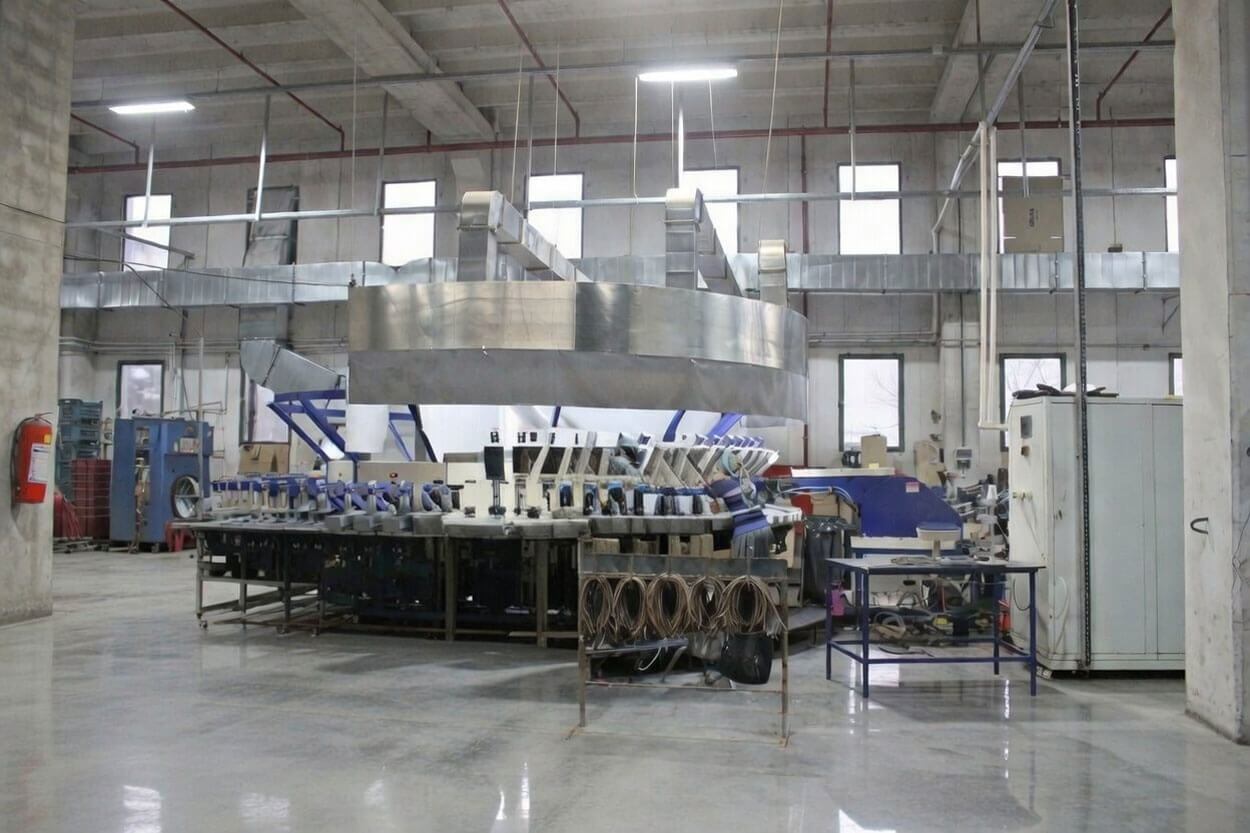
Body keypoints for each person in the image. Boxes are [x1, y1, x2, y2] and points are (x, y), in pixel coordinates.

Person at [705, 449, 774, 559]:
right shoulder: (746, 480)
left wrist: (709, 481)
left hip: (746, 531)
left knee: (743, 566)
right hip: (764, 527)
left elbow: (712, 504)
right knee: (762, 565)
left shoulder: (721, 484)